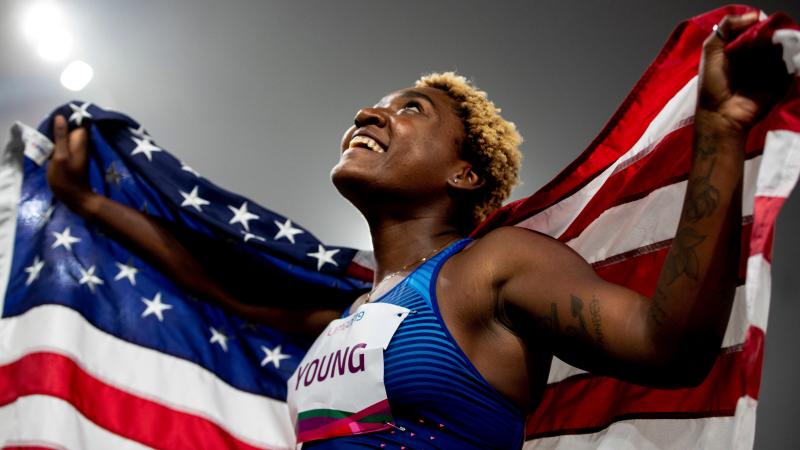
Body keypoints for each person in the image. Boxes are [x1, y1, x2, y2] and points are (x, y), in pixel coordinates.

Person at [46, 12, 786, 449]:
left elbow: (670, 345)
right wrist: (92, 204)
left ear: (464, 175)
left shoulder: (496, 270)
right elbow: (214, 289)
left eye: (410, 110)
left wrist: (718, 130)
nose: (370, 115)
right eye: (375, 106)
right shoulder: (344, 320)